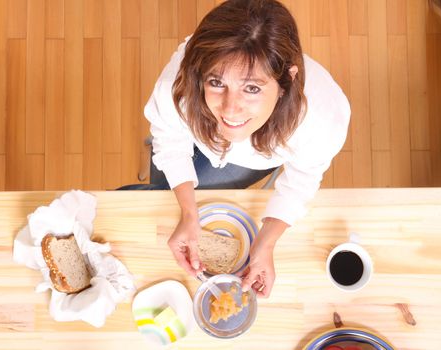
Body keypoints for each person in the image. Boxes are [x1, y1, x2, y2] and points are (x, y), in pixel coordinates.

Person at [139, 0, 350, 297]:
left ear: (287, 81)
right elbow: (169, 136)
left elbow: (301, 179)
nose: (230, 109)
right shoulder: (179, 81)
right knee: (158, 195)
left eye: (252, 88)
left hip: (253, 158)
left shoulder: (323, 116)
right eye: (216, 82)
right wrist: (188, 211)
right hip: (190, 133)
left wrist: (267, 242)